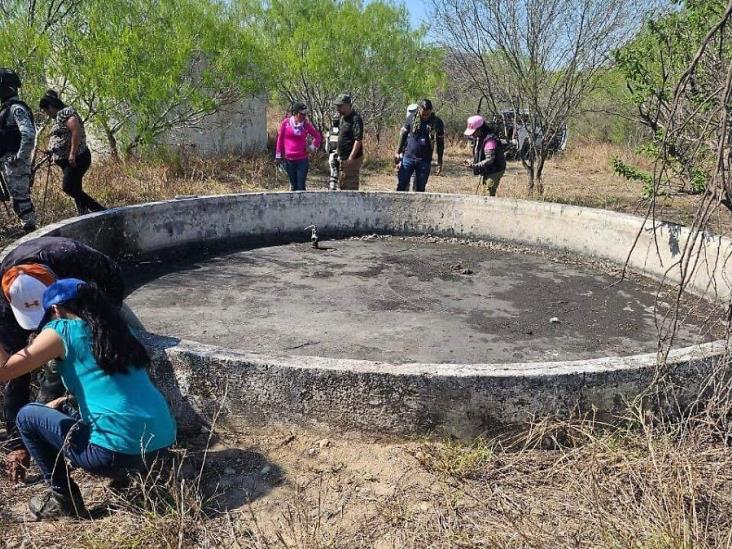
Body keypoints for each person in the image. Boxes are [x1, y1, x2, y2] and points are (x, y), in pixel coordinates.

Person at [0, 278, 176, 519]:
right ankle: (140, 474)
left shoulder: (61, 330)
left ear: (55, 310)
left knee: (27, 415)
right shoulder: (117, 331)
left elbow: (5, 371)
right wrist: (59, 403)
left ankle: (64, 500)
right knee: (66, 407)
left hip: (113, 455)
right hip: (162, 444)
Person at [0, 236, 125, 483]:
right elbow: (12, 373)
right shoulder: (5, 306)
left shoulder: (70, 255)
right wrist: (17, 443)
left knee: (70, 360)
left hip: (86, 300)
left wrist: (100, 327)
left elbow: (114, 280)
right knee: (49, 360)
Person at [39, 90, 104, 215]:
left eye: (46, 110)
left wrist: (72, 154)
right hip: (68, 160)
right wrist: (52, 150)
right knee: (76, 188)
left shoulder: (65, 113)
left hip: (76, 158)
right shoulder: (59, 117)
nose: (46, 113)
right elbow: (62, 136)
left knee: (68, 187)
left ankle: (98, 209)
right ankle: (83, 213)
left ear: (51, 107)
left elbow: (75, 130)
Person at [0, 69, 37, 232]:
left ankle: (31, 231)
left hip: (15, 163)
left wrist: (20, 157)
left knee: (21, 199)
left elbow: (28, 134)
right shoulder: (6, 108)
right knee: (17, 198)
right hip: (8, 161)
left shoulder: (16, 108)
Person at [395, 99, 445, 193]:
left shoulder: (437, 122)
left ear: (431, 111)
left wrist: (440, 162)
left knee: (420, 188)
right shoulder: (411, 118)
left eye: (427, 114)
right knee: (401, 185)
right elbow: (403, 135)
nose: (425, 116)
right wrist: (398, 152)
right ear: (419, 110)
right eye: (423, 114)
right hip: (408, 157)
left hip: (425, 160)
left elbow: (440, 143)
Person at [275, 101, 322, 191]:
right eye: (302, 114)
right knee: (293, 186)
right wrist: (278, 156)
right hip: (289, 160)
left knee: (300, 186)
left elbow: (318, 137)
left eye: (305, 114)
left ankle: (303, 204)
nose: (304, 116)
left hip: (302, 160)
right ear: (295, 113)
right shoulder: (285, 123)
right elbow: (280, 140)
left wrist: (312, 147)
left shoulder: (306, 125)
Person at [464, 115, 506, 197]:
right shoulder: (479, 137)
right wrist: (472, 162)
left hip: (495, 170)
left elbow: (489, 160)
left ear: (480, 129)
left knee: (488, 193)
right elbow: (480, 154)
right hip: (488, 169)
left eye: (473, 131)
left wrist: (474, 166)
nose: (472, 134)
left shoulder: (490, 140)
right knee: (484, 193)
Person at [334, 94, 364, 190]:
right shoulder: (343, 118)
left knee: (350, 186)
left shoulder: (356, 119)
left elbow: (358, 140)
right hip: (342, 158)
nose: (338, 108)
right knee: (343, 183)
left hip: (352, 159)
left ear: (347, 105)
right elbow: (342, 136)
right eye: (337, 106)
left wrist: (351, 158)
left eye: (340, 106)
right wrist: (337, 152)